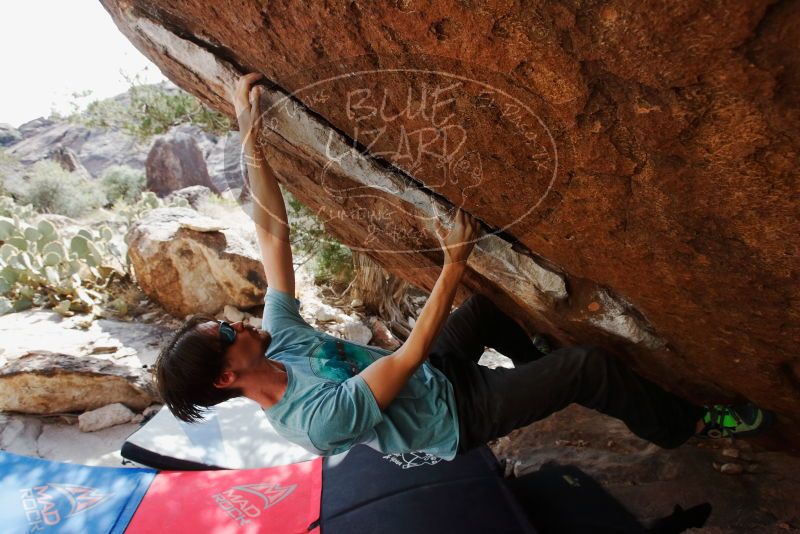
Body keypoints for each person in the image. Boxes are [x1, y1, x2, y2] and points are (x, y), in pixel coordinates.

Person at [154, 73, 773, 461]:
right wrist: (454, 260)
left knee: (488, 307)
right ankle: (685, 425)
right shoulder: (312, 422)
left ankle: (540, 374)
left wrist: (249, 133)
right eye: (229, 335)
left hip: (434, 378)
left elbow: (271, 234)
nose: (241, 324)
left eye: (228, 322)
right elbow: (403, 359)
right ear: (227, 380)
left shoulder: (279, 344)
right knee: (589, 365)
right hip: (456, 416)